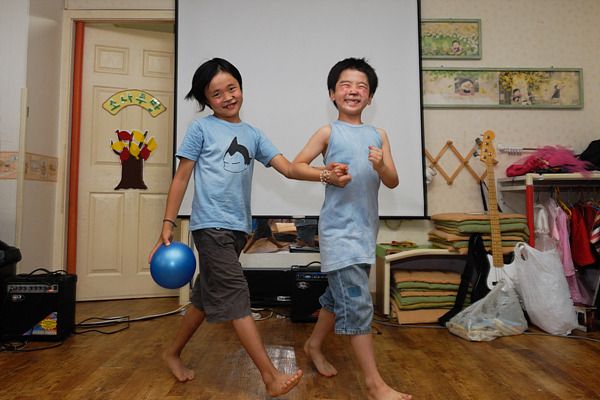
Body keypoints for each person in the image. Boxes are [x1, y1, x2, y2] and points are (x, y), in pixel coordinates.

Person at [148, 58, 310, 397]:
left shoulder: (253, 134)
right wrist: (167, 223)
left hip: (237, 229)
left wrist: (325, 175)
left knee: (204, 297)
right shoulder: (202, 129)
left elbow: (289, 168)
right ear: (207, 100)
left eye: (232, 88)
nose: (227, 97)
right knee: (237, 296)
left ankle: (171, 353)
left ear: (241, 87)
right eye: (217, 93)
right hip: (210, 227)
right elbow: (181, 177)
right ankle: (270, 376)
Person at [289, 58, 412, 400]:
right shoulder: (328, 132)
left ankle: (314, 345)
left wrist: (381, 165)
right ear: (332, 93)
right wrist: (326, 175)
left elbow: (392, 180)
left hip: (365, 231)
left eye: (361, 86)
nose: (353, 91)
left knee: (336, 296)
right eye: (345, 85)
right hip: (338, 233)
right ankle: (374, 384)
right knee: (358, 304)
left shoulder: (378, 135)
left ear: (370, 97)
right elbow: (296, 166)